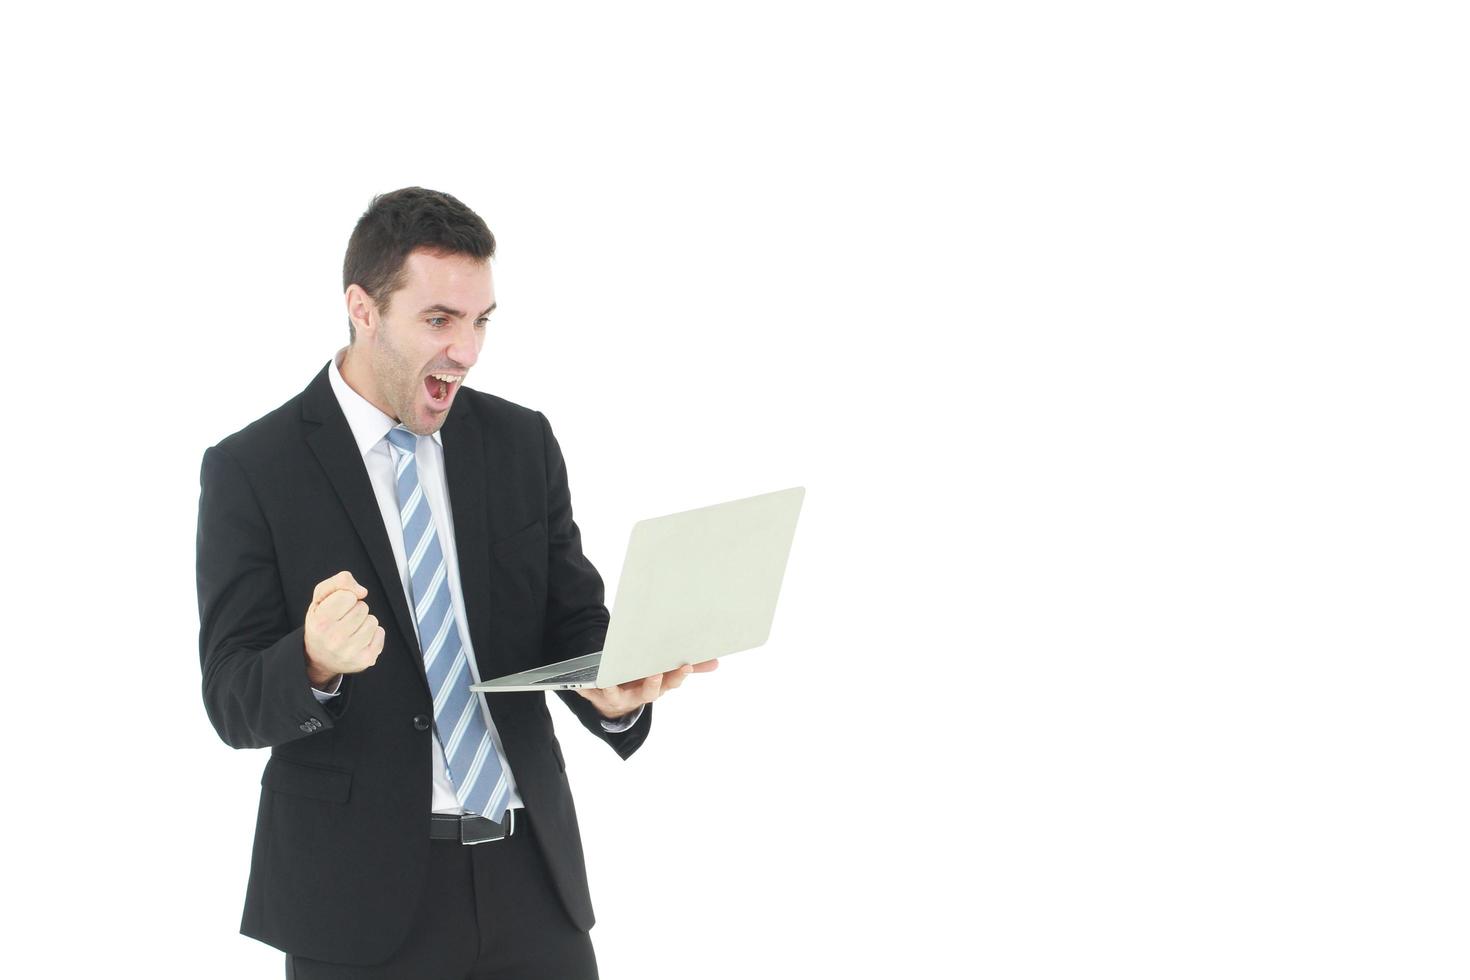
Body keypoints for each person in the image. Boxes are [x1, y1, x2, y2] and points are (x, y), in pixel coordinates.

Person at [196, 186, 715, 978]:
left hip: (532, 885)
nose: (466, 351)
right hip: (355, 905)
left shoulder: (519, 442)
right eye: (439, 320)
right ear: (362, 309)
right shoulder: (253, 469)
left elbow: (572, 624)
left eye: (481, 321)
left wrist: (611, 688)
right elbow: (231, 698)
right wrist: (312, 661)